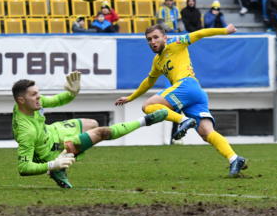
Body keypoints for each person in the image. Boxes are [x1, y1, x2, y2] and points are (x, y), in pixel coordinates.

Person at [114, 24, 248, 177]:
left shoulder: (176, 42)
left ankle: (183, 120)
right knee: (206, 133)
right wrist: (131, 97)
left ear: (165, 37)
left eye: (156, 37)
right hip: (195, 93)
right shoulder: (157, 61)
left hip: (186, 85)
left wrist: (225, 31)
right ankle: (234, 158)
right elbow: (149, 81)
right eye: (149, 39)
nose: (152, 41)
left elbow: (200, 33)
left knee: (148, 106)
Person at [12, 72, 168, 188]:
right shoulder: (27, 131)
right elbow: (23, 168)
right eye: (34, 95)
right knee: (102, 132)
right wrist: (52, 164)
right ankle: (145, 121)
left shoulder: (31, 104)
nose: (39, 97)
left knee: (92, 124)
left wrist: (72, 93)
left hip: (53, 131)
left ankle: (59, 169)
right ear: (21, 100)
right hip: (53, 149)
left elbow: (58, 100)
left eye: (38, 93)